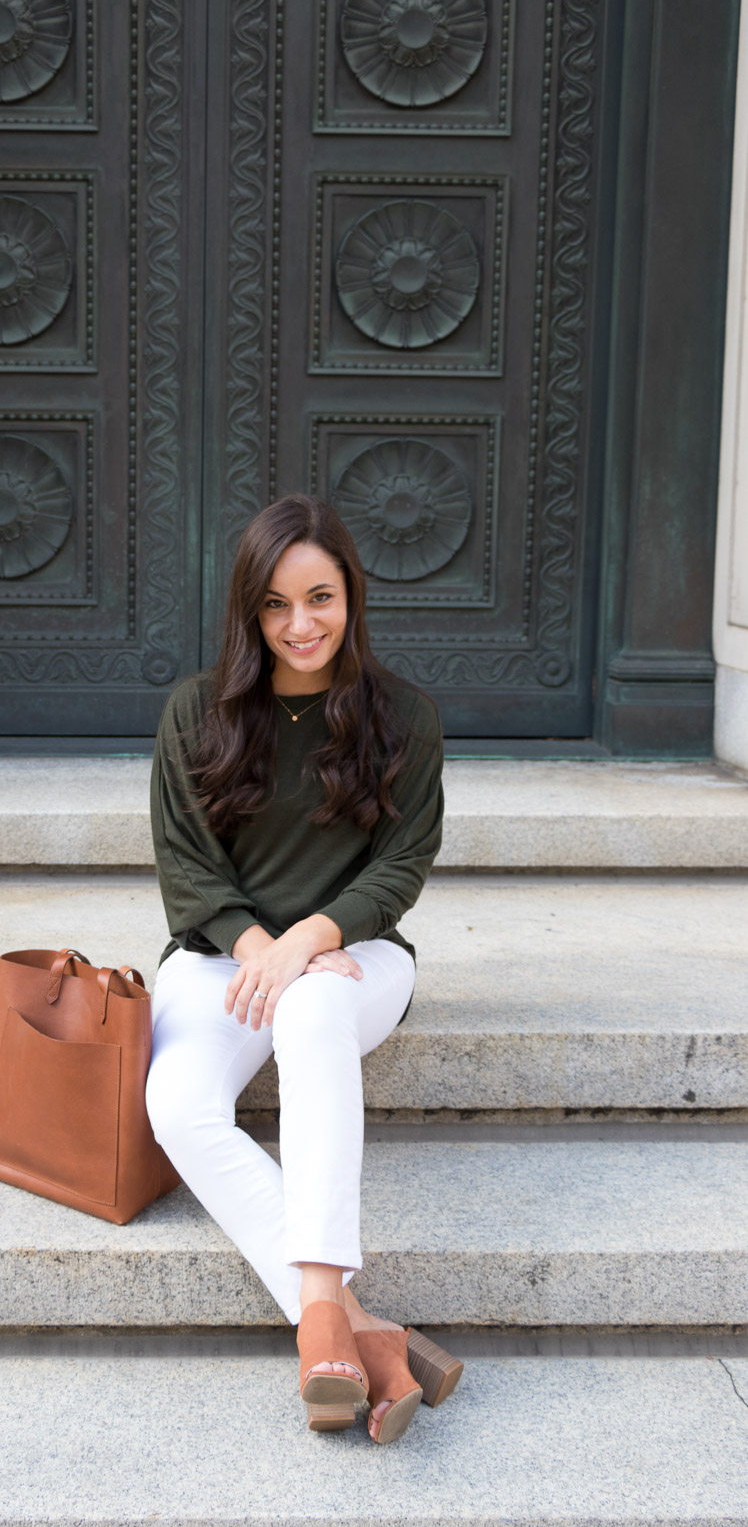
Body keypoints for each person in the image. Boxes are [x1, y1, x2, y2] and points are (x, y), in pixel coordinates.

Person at [145, 493, 462, 1444]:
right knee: (177, 1107)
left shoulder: (403, 716)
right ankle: (362, 1330)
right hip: (220, 957)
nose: (301, 625)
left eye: (319, 598)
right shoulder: (197, 712)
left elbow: (400, 868)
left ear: (352, 593)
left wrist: (309, 941)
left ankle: (320, 1308)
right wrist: (260, 948)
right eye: (275, 607)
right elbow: (187, 868)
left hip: (356, 957)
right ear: (250, 614)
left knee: (313, 1014)